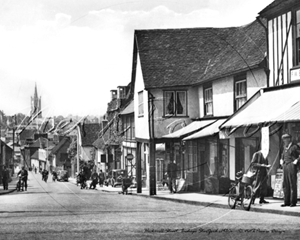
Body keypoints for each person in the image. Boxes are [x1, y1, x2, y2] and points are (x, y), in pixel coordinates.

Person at [280, 134, 300, 207]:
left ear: (289, 139)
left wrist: (297, 160)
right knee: (285, 184)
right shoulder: (285, 147)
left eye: (286, 139)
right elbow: (283, 154)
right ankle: (286, 202)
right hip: (285, 165)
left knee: (292, 184)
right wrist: (281, 159)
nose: (285, 141)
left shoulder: (295, 146)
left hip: (292, 165)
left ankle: (293, 202)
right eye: (284, 139)